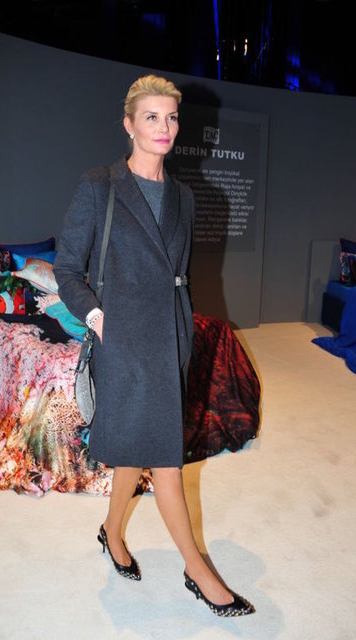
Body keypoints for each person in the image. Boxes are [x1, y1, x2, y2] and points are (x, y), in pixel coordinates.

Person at [53, 74, 254, 618]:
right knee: (166, 458)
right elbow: (67, 269)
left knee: (137, 448)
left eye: (171, 117)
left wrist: (185, 330)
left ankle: (111, 532)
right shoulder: (100, 185)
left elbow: (180, 273)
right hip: (122, 340)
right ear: (129, 124)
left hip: (170, 337)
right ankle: (198, 570)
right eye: (151, 117)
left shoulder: (185, 196)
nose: (163, 127)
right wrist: (97, 317)